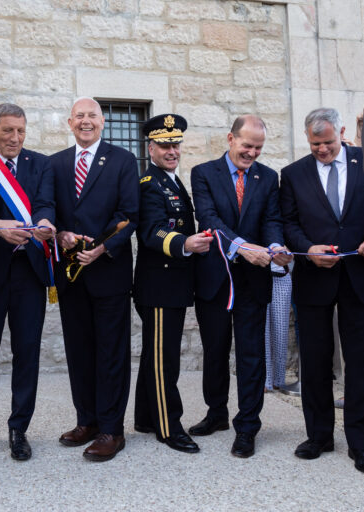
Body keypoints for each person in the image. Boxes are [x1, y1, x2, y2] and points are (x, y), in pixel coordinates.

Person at [280, 107, 364, 477]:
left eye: (328, 143)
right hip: (315, 280)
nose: (322, 150)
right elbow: (289, 224)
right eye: (315, 145)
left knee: (361, 364)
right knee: (314, 361)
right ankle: (319, 436)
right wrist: (308, 249)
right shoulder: (293, 174)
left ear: (342, 132)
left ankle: (362, 444)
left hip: (360, 277)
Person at [189, 114, 292, 458]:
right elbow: (209, 219)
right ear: (230, 139)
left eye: (259, 148)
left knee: (250, 355)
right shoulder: (203, 173)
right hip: (214, 280)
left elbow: (272, 220)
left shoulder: (268, 177)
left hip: (253, 282)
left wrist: (276, 246)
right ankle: (216, 413)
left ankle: (247, 426)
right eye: (247, 145)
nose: (252, 153)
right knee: (215, 352)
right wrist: (244, 248)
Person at [0, 103, 55, 461]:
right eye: (7, 132)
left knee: (27, 353)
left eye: (20, 131)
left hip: (29, 272)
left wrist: (45, 223)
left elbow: (46, 203)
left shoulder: (40, 164)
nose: (15, 138)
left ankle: (19, 428)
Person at [51, 97, 138, 462]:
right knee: (79, 352)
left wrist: (102, 248)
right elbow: (48, 210)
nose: (86, 122)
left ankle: (111, 430)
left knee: (111, 353)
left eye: (93, 116)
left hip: (108, 272)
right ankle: (86, 420)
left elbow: (130, 214)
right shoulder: (53, 164)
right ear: (70, 122)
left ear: (103, 122)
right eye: (80, 116)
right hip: (71, 277)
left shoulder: (122, 160)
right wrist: (60, 235)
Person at [132, 114, 211, 454]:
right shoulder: (150, 183)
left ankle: (146, 417)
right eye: (164, 144)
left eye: (175, 144)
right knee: (165, 360)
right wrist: (184, 243)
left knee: (154, 353)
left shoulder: (172, 181)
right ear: (150, 147)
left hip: (171, 282)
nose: (171, 150)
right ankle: (168, 426)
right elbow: (151, 231)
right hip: (160, 284)